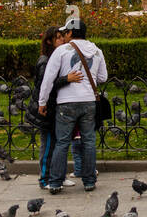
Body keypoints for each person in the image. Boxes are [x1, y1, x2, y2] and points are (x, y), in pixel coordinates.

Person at [39, 15, 107, 195]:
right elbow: (103, 78)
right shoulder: (97, 51)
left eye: (65, 32)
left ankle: (55, 183)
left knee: (62, 142)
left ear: (71, 32)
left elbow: (48, 79)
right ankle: (89, 181)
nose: (64, 35)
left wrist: (42, 102)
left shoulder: (61, 51)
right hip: (88, 101)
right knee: (89, 142)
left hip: (66, 102)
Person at [27, 26, 81, 189]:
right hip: (47, 110)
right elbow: (47, 84)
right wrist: (67, 79)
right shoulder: (45, 61)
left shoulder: (56, 58)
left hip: (56, 108)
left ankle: (59, 174)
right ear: (49, 41)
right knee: (49, 144)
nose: (62, 40)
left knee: (60, 143)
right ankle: (45, 179)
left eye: (62, 36)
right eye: (58, 37)